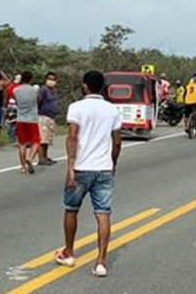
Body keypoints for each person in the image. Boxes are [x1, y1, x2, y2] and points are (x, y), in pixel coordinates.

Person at [54, 70, 122, 278]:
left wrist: (70, 168)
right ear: (102, 87)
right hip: (103, 167)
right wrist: (113, 163)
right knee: (103, 214)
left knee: (71, 209)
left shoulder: (76, 108)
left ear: (85, 86)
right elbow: (117, 141)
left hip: (82, 167)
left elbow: (72, 137)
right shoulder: (113, 110)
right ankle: (101, 262)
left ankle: (69, 253)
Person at [14, 71, 41, 174]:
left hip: (20, 119)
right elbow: (38, 101)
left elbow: (17, 102)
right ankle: (30, 157)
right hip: (32, 119)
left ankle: (22, 167)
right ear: (30, 79)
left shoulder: (16, 90)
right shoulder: (34, 90)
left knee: (22, 144)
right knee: (36, 141)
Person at [37, 72, 59, 166]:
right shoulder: (43, 89)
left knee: (47, 139)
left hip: (51, 117)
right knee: (42, 138)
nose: (51, 81)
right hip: (43, 116)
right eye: (49, 79)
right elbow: (38, 100)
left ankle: (45, 157)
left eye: (53, 79)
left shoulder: (53, 90)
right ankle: (41, 158)